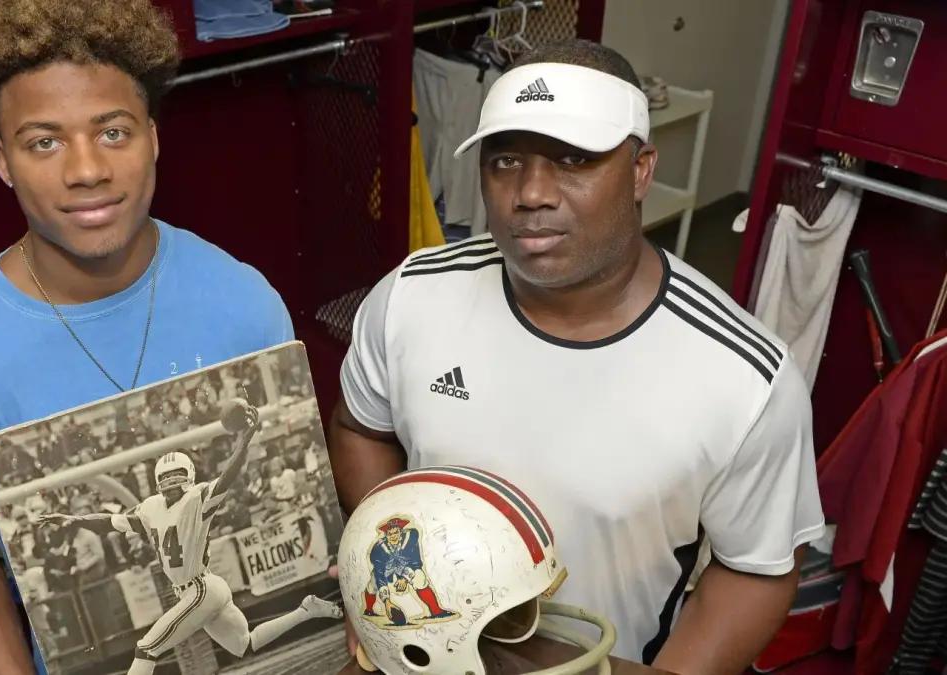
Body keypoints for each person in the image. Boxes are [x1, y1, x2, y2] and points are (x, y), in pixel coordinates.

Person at [328, 39, 825, 674]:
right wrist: (383, 574)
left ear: (642, 169)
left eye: (574, 159)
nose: (531, 192)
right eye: (505, 160)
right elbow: (359, 427)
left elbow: (757, 568)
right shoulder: (411, 297)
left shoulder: (745, 378)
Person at [0, 1, 293, 673]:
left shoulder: (245, 303)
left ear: (154, 138)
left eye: (113, 131)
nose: (86, 170)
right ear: (3, 161)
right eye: (44, 141)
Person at [38, 400, 342, 675]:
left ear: (189, 477)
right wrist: (73, 519)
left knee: (146, 647)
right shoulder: (151, 508)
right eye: (166, 479)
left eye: (176, 477)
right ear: (158, 483)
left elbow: (229, 475)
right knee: (244, 645)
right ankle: (306, 611)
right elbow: (110, 522)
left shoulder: (197, 499)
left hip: (200, 588)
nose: (171, 483)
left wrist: (244, 439)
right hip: (199, 589)